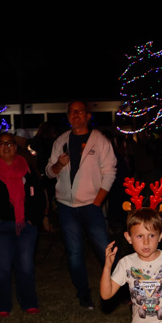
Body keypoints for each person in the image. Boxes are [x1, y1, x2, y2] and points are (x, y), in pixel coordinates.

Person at [46, 101, 117, 309]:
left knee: (104, 250)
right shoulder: (61, 141)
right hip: (66, 206)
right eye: (71, 112)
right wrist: (58, 165)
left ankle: (118, 288)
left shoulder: (100, 141)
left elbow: (110, 172)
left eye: (79, 111)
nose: (75, 114)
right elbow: (49, 172)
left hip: (91, 205)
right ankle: (84, 294)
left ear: (87, 116)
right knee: (74, 253)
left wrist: (97, 202)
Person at [0, 132, 42, 316]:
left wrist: (33, 219)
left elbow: (39, 195)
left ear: (15, 147)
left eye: (10, 143)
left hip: (25, 227)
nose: (6, 147)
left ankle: (29, 303)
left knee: (26, 266)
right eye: (2, 143)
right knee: (2, 268)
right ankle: (2, 305)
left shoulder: (27, 169)